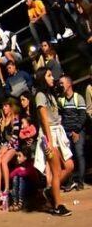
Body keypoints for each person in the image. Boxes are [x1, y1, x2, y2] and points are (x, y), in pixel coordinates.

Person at [33, 67, 74, 216]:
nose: (52, 78)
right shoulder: (39, 95)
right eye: (49, 76)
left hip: (58, 131)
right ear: (42, 78)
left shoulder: (50, 94)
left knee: (69, 166)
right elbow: (44, 119)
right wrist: (49, 142)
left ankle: (51, 191)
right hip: (47, 135)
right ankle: (58, 205)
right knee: (56, 171)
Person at [58, 75, 86, 191]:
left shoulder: (78, 98)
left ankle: (80, 181)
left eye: (62, 83)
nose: (60, 85)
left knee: (79, 154)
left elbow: (83, 116)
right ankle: (70, 182)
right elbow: (60, 117)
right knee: (68, 157)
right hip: (66, 132)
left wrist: (76, 131)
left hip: (78, 131)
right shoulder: (61, 100)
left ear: (69, 84)